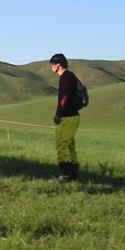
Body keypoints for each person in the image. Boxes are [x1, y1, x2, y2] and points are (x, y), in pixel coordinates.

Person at [50, 53, 80, 183]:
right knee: (70, 145)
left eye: (53, 64)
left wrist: (58, 114)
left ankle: (65, 175)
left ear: (59, 65)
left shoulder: (65, 77)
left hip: (68, 116)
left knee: (61, 144)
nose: (51, 67)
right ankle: (74, 174)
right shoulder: (70, 76)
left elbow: (64, 98)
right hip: (73, 116)